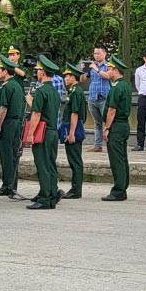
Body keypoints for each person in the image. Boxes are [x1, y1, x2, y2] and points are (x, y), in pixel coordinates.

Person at [26, 55, 62, 210]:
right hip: (53, 131)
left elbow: (37, 114)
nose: (36, 73)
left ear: (43, 72)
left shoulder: (41, 91)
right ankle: (52, 193)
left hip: (43, 131)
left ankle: (45, 198)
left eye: (38, 70)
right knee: (51, 164)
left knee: (43, 165)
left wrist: (30, 134)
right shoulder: (54, 91)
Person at [101, 55, 130, 202]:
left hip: (116, 126)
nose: (108, 71)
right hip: (124, 125)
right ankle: (123, 186)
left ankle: (118, 190)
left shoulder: (116, 87)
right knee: (122, 157)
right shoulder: (125, 86)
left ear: (115, 70)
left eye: (109, 68)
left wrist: (107, 128)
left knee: (116, 159)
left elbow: (112, 110)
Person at [0, 55, 24, 196]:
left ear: (5, 71)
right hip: (17, 123)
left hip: (8, 123)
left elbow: (3, 109)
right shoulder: (17, 85)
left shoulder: (7, 87)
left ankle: (7, 185)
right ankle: (13, 184)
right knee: (13, 155)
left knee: (6, 155)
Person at [60, 62, 87, 199]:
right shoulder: (74, 91)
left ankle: (76, 190)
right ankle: (75, 188)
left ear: (73, 77)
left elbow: (74, 113)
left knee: (75, 160)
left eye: (67, 76)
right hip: (72, 128)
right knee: (73, 159)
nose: (65, 78)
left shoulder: (76, 92)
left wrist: (71, 133)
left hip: (74, 129)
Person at [82, 45, 112, 152]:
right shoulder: (91, 66)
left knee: (108, 121)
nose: (96, 56)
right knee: (97, 122)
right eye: (95, 53)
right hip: (93, 97)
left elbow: (107, 76)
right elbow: (83, 79)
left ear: (104, 54)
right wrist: (82, 71)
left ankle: (110, 143)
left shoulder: (108, 65)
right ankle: (97, 145)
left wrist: (96, 69)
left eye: (99, 53)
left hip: (104, 97)